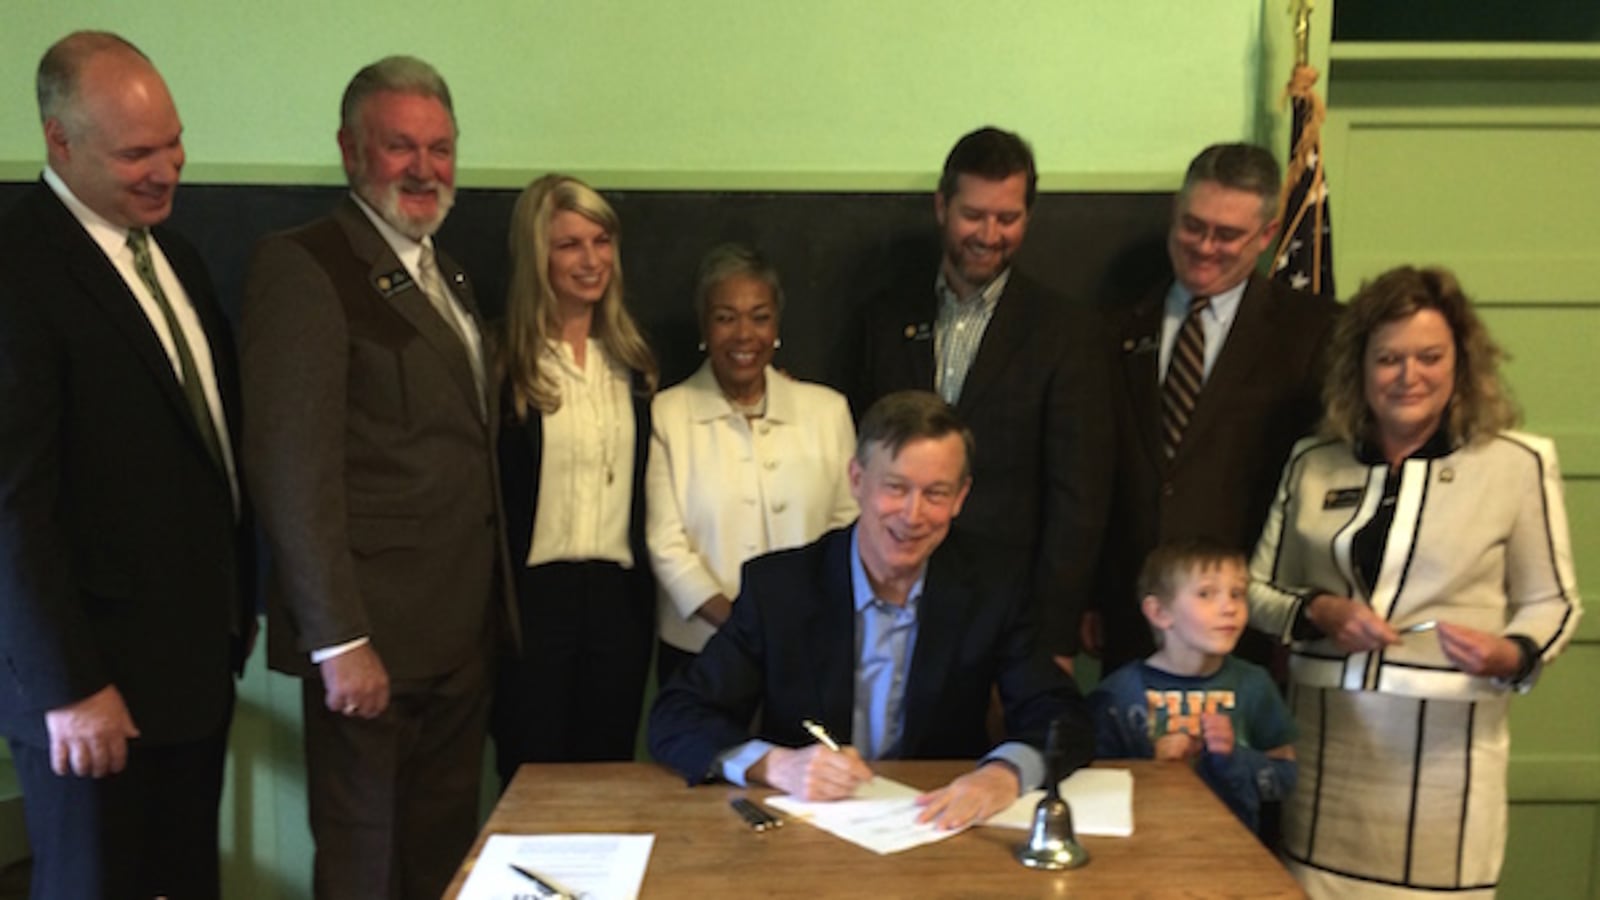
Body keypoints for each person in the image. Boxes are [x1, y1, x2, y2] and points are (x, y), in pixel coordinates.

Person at [241, 56, 505, 899]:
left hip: (458, 637)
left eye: (441, 147)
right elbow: (292, 468)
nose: (424, 169)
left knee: (439, 860)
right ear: (352, 151)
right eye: (400, 147)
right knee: (364, 865)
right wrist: (338, 639)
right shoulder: (306, 267)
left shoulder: (449, 274)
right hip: (372, 647)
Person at [0, 31, 253, 898]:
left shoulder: (175, 256)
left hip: (191, 669)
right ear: (59, 141)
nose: (167, 169)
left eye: (174, 141)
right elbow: (10, 508)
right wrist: (70, 686)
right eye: (136, 152)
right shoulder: (18, 269)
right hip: (92, 690)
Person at [1249, 266, 1582, 898]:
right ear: (1359, 368)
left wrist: (1509, 653)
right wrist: (1321, 611)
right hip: (1326, 755)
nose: (1409, 376)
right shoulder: (1314, 462)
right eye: (1388, 359)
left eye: (1429, 357)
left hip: (1445, 769)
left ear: (1461, 362)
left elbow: (1553, 603)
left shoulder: (1516, 463)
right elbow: (1259, 592)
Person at [648, 391, 1093, 829]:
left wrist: (1004, 775)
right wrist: (774, 765)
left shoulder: (995, 585)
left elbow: (1061, 716)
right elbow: (678, 714)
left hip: (940, 825)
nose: (913, 515)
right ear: (857, 481)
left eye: (936, 493)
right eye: (895, 488)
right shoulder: (781, 588)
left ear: (961, 498)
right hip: (804, 832)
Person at [857, 126, 1112, 669]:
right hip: (891, 597)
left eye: (1008, 218)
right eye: (974, 215)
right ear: (941, 206)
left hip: (1010, 612)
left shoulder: (1067, 332)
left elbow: (1078, 500)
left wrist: (1055, 635)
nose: (989, 234)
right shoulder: (885, 316)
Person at [1087, 143, 1339, 674]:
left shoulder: (1314, 334)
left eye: (1226, 235)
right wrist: (1087, 595)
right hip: (1134, 618)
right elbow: (1095, 474)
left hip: (1247, 625)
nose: (1204, 247)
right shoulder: (1114, 327)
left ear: (1268, 237)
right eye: (1192, 226)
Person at [493, 174, 658, 777]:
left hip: (619, 601)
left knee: (607, 779)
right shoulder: (504, 362)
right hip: (532, 605)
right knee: (529, 778)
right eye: (570, 245)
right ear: (538, 254)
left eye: (601, 240)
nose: (591, 260)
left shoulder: (634, 362)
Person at [646, 243, 858, 685]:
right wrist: (744, 629)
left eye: (760, 317)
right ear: (704, 327)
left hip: (810, 646)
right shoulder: (668, 413)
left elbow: (849, 524)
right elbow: (666, 545)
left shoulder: (827, 410)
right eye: (726, 317)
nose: (745, 334)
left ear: (777, 326)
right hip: (700, 651)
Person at [1089, 539, 1295, 837]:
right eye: (1206, 594)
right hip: (1141, 851)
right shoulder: (1117, 695)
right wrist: (1150, 763)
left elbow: (1285, 778)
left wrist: (1232, 756)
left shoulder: (1254, 684)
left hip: (1231, 854)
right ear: (1160, 613)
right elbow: (1094, 786)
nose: (1229, 607)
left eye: (1238, 593)